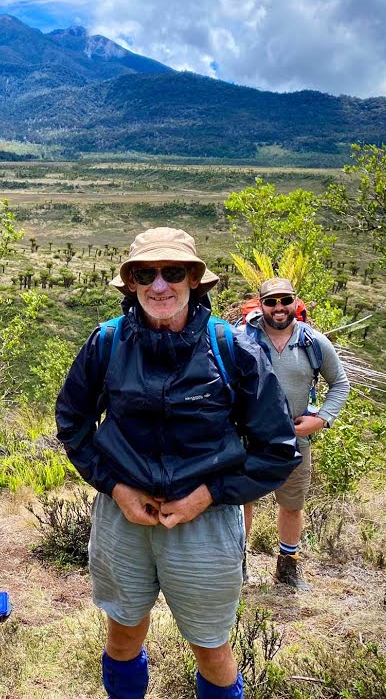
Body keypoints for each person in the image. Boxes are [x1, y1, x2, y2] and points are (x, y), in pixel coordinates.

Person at [56, 227, 299, 699]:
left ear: (194, 280)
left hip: (205, 518)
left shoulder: (233, 349)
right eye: (145, 273)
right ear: (131, 282)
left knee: (211, 647)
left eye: (172, 272)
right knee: (123, 635)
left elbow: (277, 448)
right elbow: (73, 421)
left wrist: (207, 495)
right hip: (123, 514)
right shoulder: (107, 343)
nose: (159, 285)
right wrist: (115, 487)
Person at [241, 277, 352, 590]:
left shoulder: (313, 342)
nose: (279, 308)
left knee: (291, 505)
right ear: (260, 304)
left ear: (295, 303)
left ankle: (288, 569)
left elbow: (340, 384)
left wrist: (322, 419)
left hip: (295, 439)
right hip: (251, 438)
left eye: (285, 301)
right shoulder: (242, 338)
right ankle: (239, 565)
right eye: (271, 302)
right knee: (243, 502)